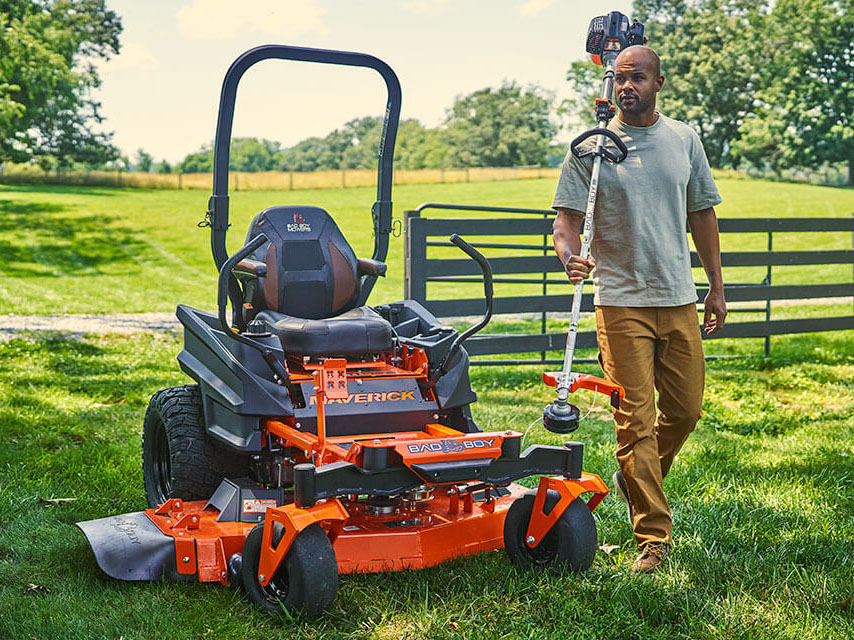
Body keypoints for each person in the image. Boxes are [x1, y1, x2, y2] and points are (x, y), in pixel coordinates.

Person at [551, 45, 727, 573]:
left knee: (686, 411)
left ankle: (635, 479)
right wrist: (568, 256)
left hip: (677, 296)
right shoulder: (591, 148)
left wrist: (715, 286)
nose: (626, 86)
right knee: (636, 420)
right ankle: (653, 537)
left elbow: (703, 215)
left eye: (637, 78)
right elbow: (565, 221)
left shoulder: (683, 139)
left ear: (658, 83)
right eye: (619, 78)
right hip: (620, 300)